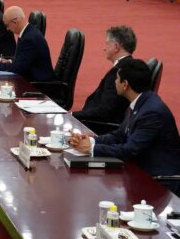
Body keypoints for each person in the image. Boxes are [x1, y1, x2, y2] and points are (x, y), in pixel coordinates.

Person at [70, 59, 180, 195]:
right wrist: (91, 141)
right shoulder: (140, 101)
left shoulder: (151, 112)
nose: (115, 82)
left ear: (125, 84)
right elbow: (120, 134)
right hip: (139, 170)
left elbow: (130, 150)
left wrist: (92, 148)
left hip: (158, 182)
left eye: (117, 79)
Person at [73, 26, 136, 129]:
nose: (104, 48)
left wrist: (72, 115)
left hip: (99, 127)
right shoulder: (129, 66)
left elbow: (105, 111)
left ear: (116, 46)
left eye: (107, 44)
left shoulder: (119, 72)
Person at [0, 6, 55, 81]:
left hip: (37, 83)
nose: (7, 29)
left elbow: (19, 68)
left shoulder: (30, 38)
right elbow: (24, 58)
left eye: (7, 25)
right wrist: (9, 61)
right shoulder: (27, 33)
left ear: (15, 22)